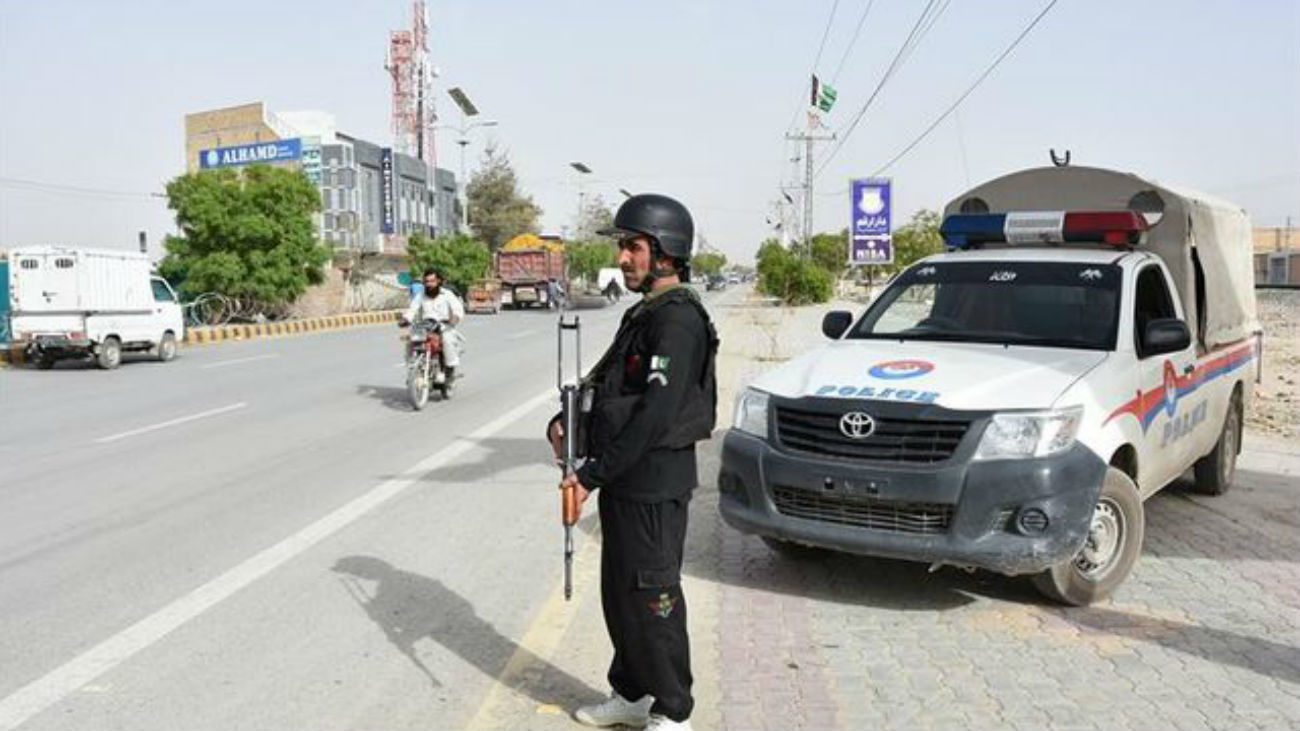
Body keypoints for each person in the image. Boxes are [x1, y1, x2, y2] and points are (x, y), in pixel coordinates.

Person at [548, 194, 718, 731]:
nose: (623, 257)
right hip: (625, 478)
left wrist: (591, 476)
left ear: (666, 252)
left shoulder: (679, 321)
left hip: (653, 482)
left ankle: (674, 709)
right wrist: (563, 420)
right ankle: (632, 692)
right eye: (623, 246)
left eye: (633, 246)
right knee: (621, 594)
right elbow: (610, 385)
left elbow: (654, 415)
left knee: (653, 594)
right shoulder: (644, 314)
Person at [402, 268, 466, 381]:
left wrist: (454, 319)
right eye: (426, 281)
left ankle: (450, 370)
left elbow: (458, 310)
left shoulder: (447, 294)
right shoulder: (421, 295)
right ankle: (412, 369)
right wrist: (406, 319)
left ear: (439, 281)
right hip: (425, 326)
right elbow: (413, 309)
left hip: (444, 326)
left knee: (447, 340)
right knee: (409, 341)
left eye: (432, 281)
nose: (429, 284)